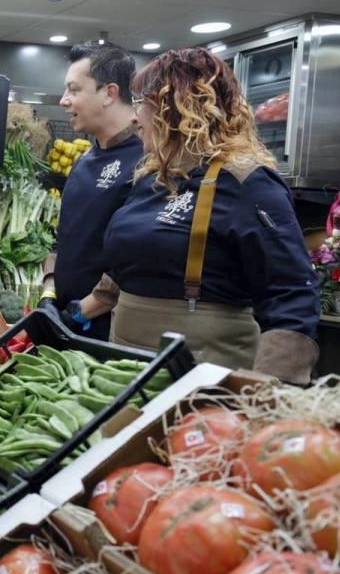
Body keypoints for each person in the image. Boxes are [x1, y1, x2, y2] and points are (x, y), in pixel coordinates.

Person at [75, 47, 320, 384]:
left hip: (203, 372)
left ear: (173, 110)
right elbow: (131, 265)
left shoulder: (247, 182)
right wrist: (72, 314)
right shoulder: (150, 176)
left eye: (141, 105)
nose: (135, 118)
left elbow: (292, 294)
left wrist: (261, 396)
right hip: (125, 366)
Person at [39, 42, 146, 341]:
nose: (64, 101)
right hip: (66, 326)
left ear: (110, 93)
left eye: (74, 90)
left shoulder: (147, 162)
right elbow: (64, 239)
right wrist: (49, 294)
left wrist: (78, 313)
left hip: (111, 334)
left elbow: (137, 262)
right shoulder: (84, 160)